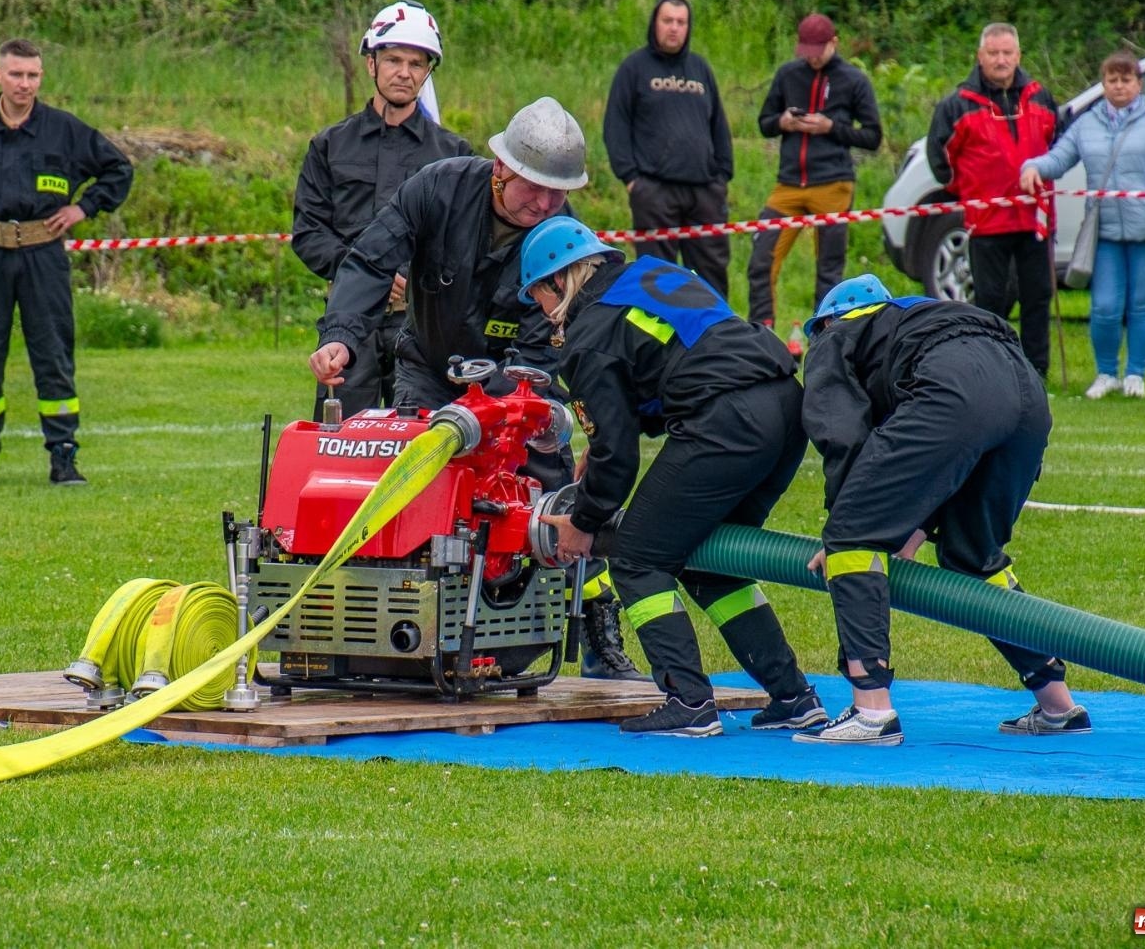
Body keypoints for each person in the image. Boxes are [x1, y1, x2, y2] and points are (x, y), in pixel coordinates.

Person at [309, 97, 644, 680]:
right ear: (501, 168)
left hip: (519, 385)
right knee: (414, 493)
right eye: (534, 188)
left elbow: (545, 347)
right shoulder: (435, 189)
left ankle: (598, 630)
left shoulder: (565, 244)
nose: (544, 205)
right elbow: (368, 261)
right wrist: (342, 336)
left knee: (556, 494)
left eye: (558, 194)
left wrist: (508, 410)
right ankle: (400, 637)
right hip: (428, 372)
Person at [520, 217, 827, 737]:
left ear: (558, 281)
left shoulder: (587, 334)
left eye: (538, 298)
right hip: (783, 404)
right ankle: (794, 696)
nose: (540, 313)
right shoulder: (649, 274)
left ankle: (688, 701)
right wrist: (603, 445)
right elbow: (678, 359)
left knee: (638, 558)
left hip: (726, 421)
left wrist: (585, 520)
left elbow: (618, 460)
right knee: (710, 564)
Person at [793, 274, 1089, 745]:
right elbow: (937, 460)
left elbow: (843, 433)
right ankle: (1058, 705)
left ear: (828, 320)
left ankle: (871, 712)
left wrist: (849, 525)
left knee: (851, 536)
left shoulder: (836, 336)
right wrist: (909, 526)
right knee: (973, 555)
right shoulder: (920, 319)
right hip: (1027, 395)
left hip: (955, 392)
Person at [0, 38, 133, 486]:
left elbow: (117, 169)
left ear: (41, 78)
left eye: (33, 75)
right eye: (16, 74)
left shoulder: (63, 131)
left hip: (43, 255)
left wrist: (82, 209)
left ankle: (63, 456)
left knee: (52, 354)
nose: (25, 84)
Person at [292, 0, 472, 419]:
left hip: (423, 328)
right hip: (348, 324)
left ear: (428, 72)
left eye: (416, 63)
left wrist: (412, 280)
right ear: (371, 63)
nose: (404, 72)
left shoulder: (454, 154)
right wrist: (364, 273)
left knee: (421, 445)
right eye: (393, 59)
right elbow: (309, 232)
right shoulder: (330, 145)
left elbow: (463, 243)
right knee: (340, 442)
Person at [1020, 51, 1145, 400]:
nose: (1119, 86)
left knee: (1142, 304)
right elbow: (1059, 157)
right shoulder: (1087, 123)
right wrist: (1033, 167)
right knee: (1105, 307)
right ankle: (1106, 372)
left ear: (1139, 84)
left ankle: (1136, 375)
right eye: (1112, 80)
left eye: (1126, 80)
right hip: (1106, 232)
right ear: (1103, 84)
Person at [926, 23, 1061, 378]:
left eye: (1007, 53)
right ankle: (993, 370)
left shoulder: (1040, 97)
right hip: (988, 220)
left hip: (1035, 218)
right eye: (993, 53)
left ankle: (1036, 371)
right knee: (990, 300)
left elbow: (1059, 145)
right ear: (980, 57)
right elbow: (939, 158)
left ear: (1018, 55)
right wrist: (970, 190)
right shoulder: (957, 105)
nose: (1001, 61)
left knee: (1038, 296)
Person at [749, 13, 883, 327]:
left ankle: (825, 338)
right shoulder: (787, 74)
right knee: (761, 260)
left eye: (817, 50)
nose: (811, 57)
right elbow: (764, 123)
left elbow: (873, 136)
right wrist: (782, 122)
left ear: (833, 43)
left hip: (833, 183)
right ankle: (760, 333)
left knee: (828, 270)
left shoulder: (854, 80)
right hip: (789, 184)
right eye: (805, 51)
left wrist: (831, 127)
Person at [603, 0, 734, 299]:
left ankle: (714, 340)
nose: (674, 28)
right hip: (654, 193)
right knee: (658, 278)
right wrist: (633, 180)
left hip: (705, 192)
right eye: (667, 21)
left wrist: (722, 177)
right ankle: (658, 343)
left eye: (681, 22)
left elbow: (719, 125)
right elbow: (615, 126)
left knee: (711, 275)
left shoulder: (700, 69)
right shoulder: (634, 68)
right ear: (655, 23)